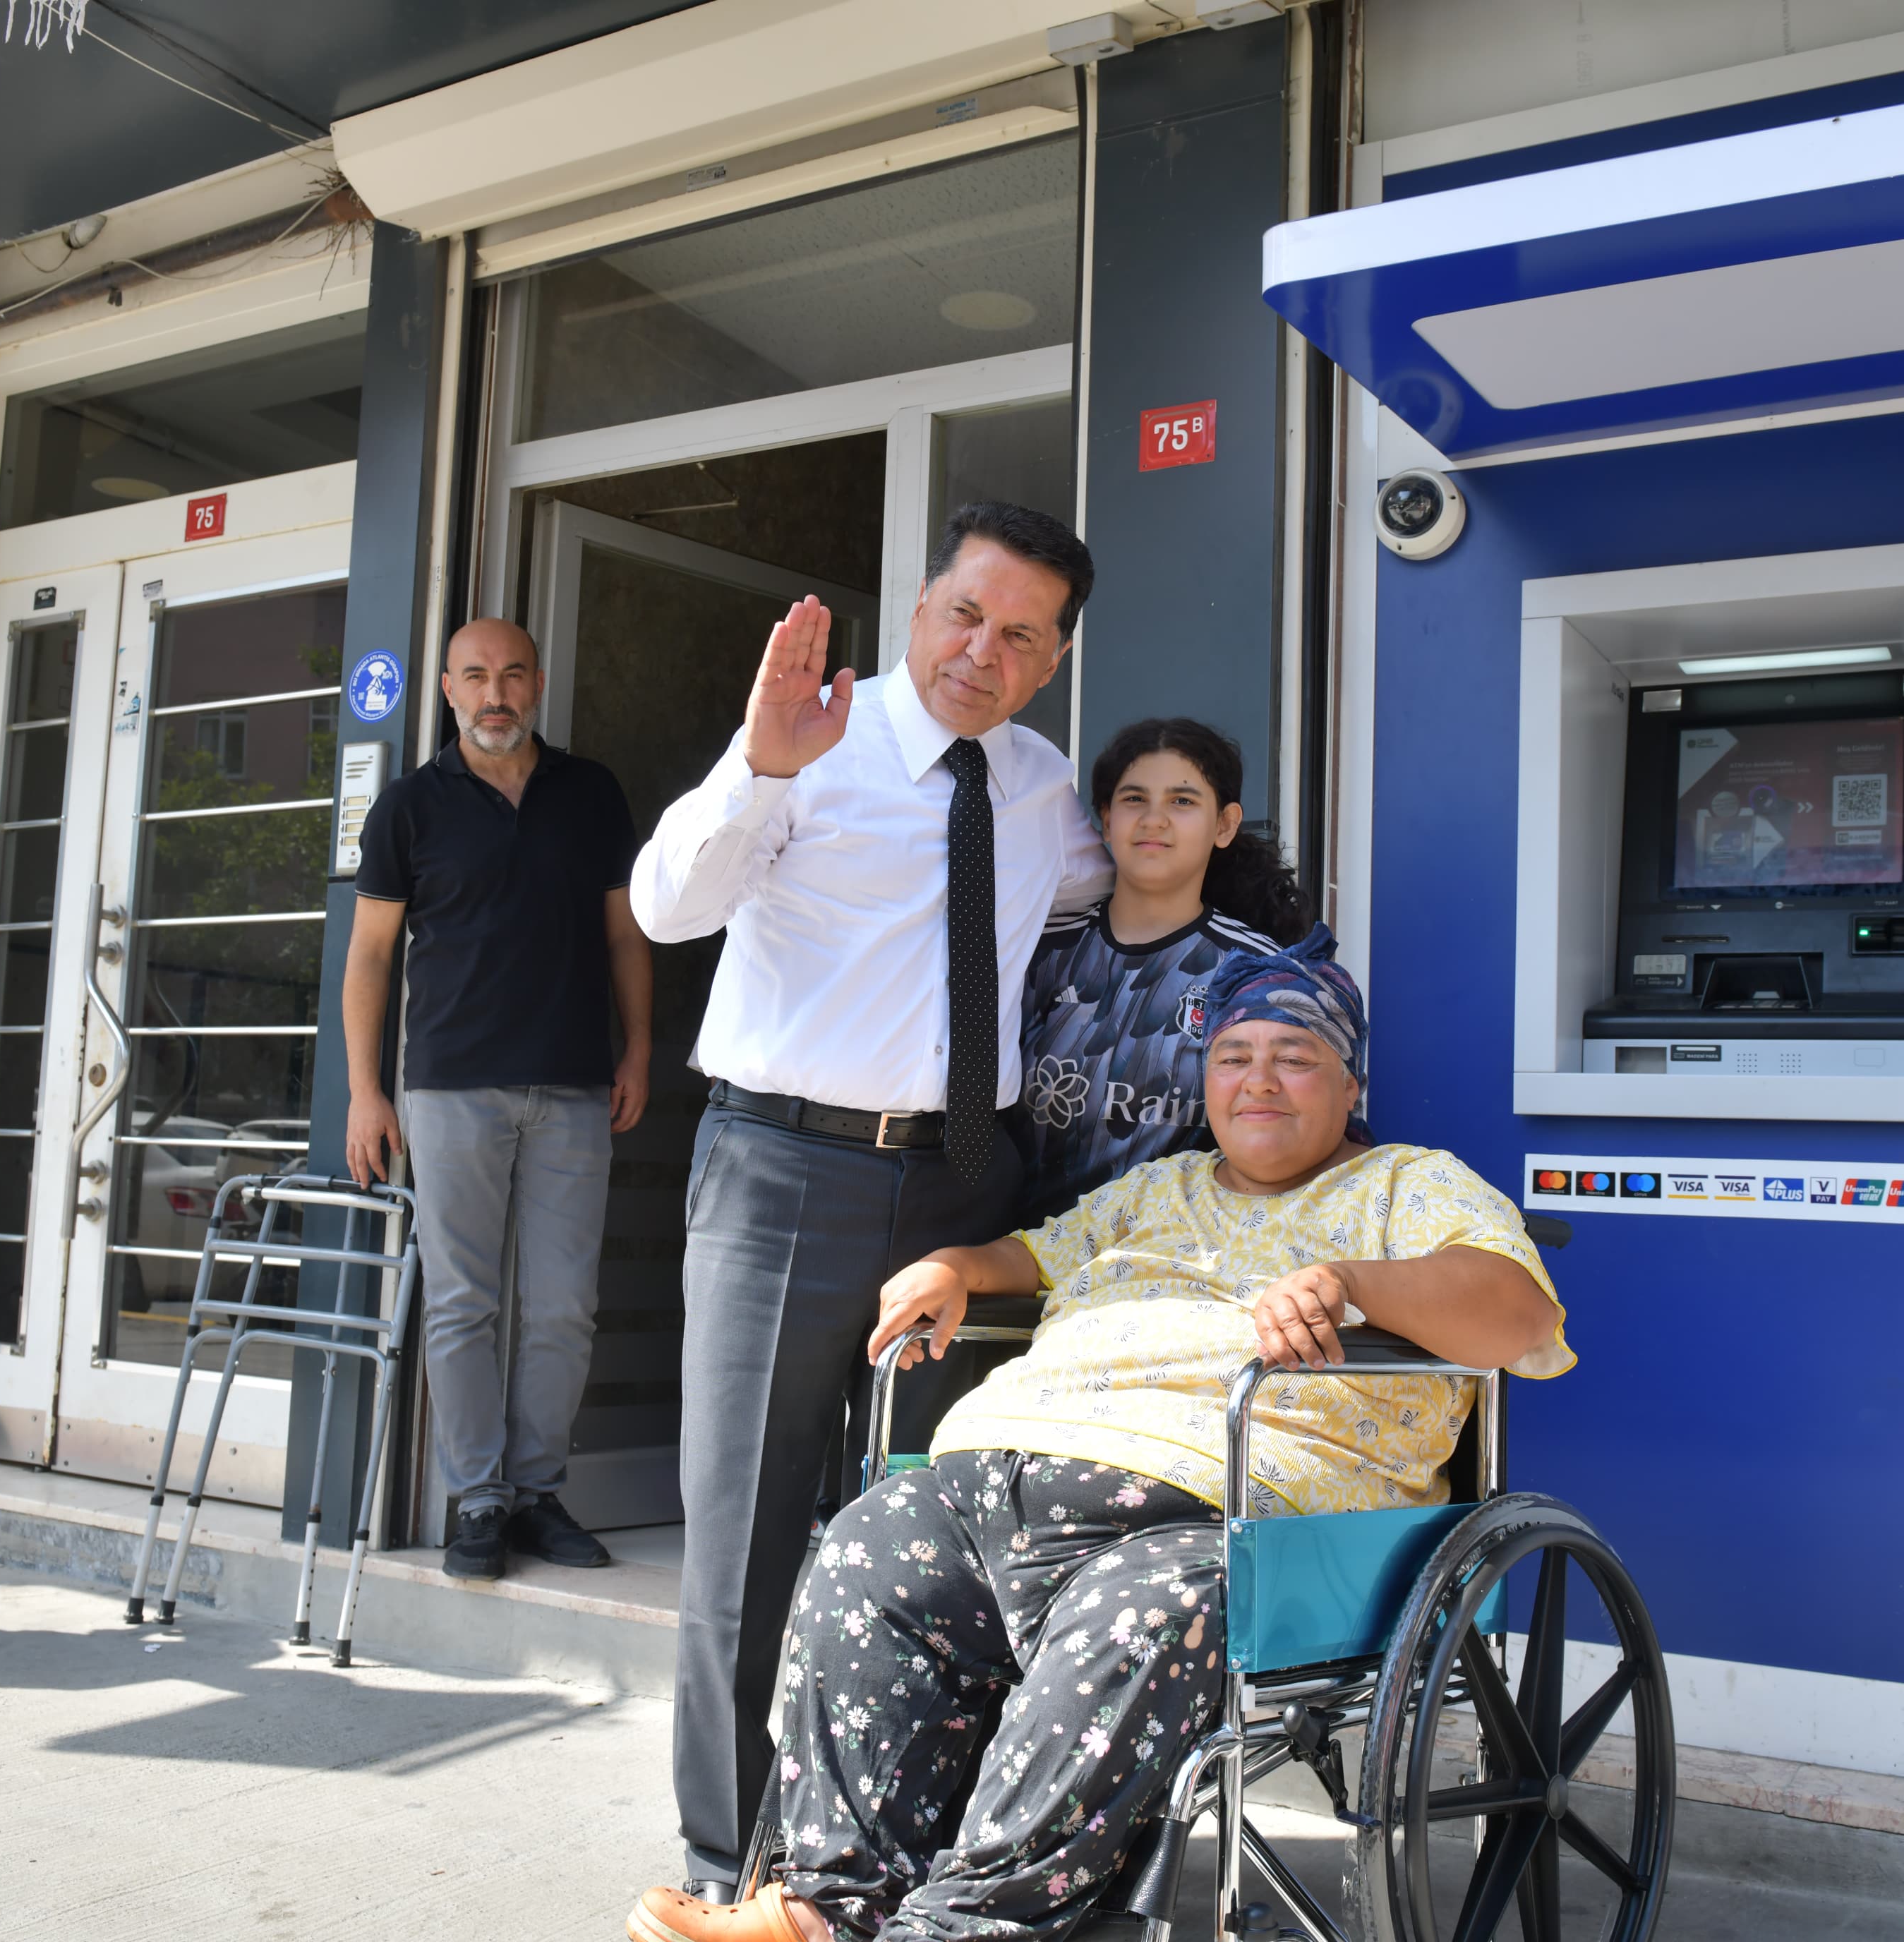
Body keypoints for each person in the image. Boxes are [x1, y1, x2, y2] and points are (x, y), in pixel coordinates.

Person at [627, 936, 1573, 1942]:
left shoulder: (1407, 1186)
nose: (1258, 1080)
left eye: (1294, 1057)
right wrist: (959, 1267)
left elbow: (1520, 1314)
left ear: (1351, 1084)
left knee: (1142, 1616)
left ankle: (960, 1929)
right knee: (867, 1547)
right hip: (995, 1478)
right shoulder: (1160, 1188)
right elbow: (1037, 1254)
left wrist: (1352, 1283)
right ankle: (825, 1906)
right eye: (1233, 1057)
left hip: (1209, 1514)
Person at [631, 502, 1115, 1896]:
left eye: (1020, 634)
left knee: (948, 1521)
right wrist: (757, 764)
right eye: (966, 613)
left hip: (967, 1183)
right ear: (919, 605)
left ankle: (903, 1838)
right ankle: (730, 1866)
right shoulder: (809, 744)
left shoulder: (1039, 785)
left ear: (1053, 658)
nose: (982, 650)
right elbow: (667, 906)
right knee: (749, 1525)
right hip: (788, 1171)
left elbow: (1113, 889)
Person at [342, 619, 653, 1580]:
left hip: (574, 1084)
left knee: (564, 1307)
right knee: (461, 1304)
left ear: (538, 683)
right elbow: (369, 956)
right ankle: (478, 1497)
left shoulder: (591, 793)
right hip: (449, 1088)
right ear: (448, 688)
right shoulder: (408, 808)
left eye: (513, 674)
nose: (495, 693)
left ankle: (536, 1493)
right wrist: (364, 1091)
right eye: (475, 675)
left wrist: (640, 1048)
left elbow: (626, 934)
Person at [1014, 716, 1311, 1224]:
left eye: (1182, 801)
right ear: (1106, 820)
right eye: (1134, 799)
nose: (1154, 820)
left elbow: (1296, 1134)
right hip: (1017, 1250)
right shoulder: (1038, 951)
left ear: (1225, 825)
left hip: (1178, 1255)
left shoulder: (1261, 973)